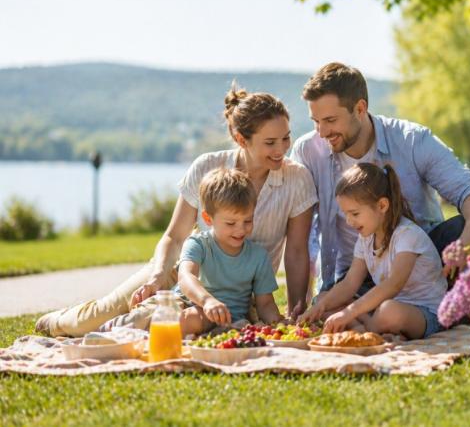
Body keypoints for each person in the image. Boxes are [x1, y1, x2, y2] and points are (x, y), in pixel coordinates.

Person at [36, 83, 317, 337]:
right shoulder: (207, 166)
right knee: (93, 322)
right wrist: (158, 275)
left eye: (285, 138)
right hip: (184, 273)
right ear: (241, 138)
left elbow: (295, 251)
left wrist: (295, 309)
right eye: (270, 142)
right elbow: (175, 236)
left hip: (243, 290)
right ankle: (57, 321)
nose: (281, 149)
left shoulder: (297, 178)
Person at [291, 62, 470, 299]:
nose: (322, 131)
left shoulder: (411, 140)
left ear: (360, 108)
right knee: (340, 316)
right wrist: (300, 302)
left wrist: (467, 240)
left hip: (421, 261)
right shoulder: (308, 152)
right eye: (316, 121)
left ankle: (442, 302)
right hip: (355, 275)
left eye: (330, 120)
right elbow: (301, 235)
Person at [102, 168, 284, 334]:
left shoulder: (258, 256)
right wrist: (207, 301)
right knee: (154, 315)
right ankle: (113, 332)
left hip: (228, 319)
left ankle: (149, 337)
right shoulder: (198, 244)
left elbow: (265, 303)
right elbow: (186, 278)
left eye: (248, 221)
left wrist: (278, 324)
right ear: (208, 218)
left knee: (194, 321)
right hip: (184, 303)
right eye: (231, 223)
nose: (241, 229)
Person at [299, 163, 446, 339]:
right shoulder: (366, 238)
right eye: (346, 214)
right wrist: (318, 308)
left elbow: (393, 285)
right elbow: (349, 284)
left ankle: (363, 331)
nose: (349, 221)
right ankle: (373, 331)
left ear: (382, 205)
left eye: (354, 214)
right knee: (324, 298)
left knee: (389, 312)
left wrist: (349, 312)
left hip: (426, 314)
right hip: (384, 307)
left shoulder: (408, 235)